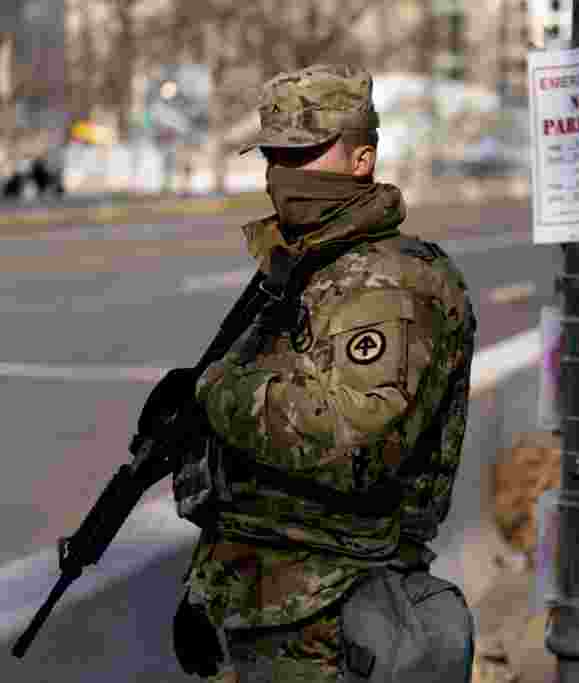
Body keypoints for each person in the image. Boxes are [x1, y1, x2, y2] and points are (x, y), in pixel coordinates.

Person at [172, 64, 478, 682]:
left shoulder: (390, 282)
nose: (285, 173)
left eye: (305, 151)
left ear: (363, 159)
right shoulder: (307, 264)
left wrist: (212, 391)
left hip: (333, 611)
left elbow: (346, 439)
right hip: (260, 598)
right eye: (275, 154)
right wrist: (206, 586)